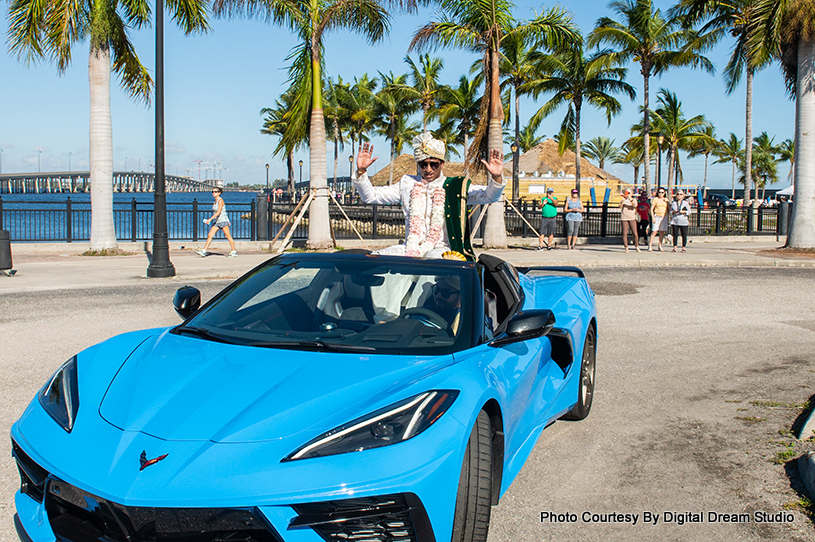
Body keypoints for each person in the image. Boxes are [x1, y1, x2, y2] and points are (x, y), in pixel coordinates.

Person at [353, 132, 506, 259]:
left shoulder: (454, 187)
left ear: (442, 164)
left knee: (432, 258)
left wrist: (497, 178)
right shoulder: (407, 184)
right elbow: (371, 196)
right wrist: (361, 172)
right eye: (423, 164)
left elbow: (488, 196)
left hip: (441, 249)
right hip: (410, 247)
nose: (428, 169)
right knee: (376, 257)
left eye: (434, 164)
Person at [196, 187, 237, 257]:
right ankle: (204, 251)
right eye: (213, 192)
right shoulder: (215, 201)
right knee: (210, 235)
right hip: (217, 221)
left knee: (228, 236)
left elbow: (219, 212)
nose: (214, 193)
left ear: (219, 193)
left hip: (223, 221)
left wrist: (210, 219)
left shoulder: (220, 200)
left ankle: (234, 251)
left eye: (215, 192)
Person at [649, 187, 669, 251]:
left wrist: (667, 202)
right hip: (657, 216)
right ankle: (650, 245)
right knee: (654, 231)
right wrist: (653, 217)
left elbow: (669, 208)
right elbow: (651, 209)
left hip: (664, 216)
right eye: (659, 192)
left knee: (662, 232)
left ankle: (660, 245)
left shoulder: (666, 200)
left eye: (662, 192)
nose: (661, 194)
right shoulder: (655, 199)